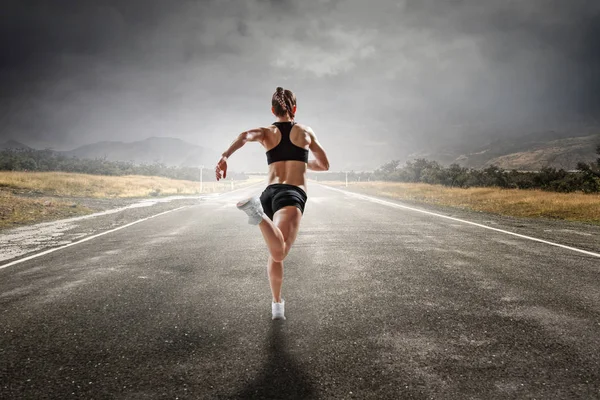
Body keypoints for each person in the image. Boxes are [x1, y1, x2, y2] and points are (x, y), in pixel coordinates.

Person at [215, 87, 330, 320]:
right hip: (291, 194)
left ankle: (277, 304)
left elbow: (244, 136)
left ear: (272, 110)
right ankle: (257, 214)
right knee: (280, 252)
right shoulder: (305, 132)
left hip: (270, 193)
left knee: (273, 247)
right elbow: (325, 164)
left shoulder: (267, 133)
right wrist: (304, 164)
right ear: (294, 108)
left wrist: (225, 156)